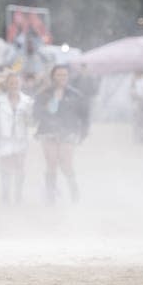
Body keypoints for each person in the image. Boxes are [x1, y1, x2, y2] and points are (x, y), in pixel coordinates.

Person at [34, 65, 89, 204]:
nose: (62, 78)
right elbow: (37, 114)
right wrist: (54, 101)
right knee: (51, 162)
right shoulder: (44, 93)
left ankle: (74, 190)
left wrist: (83, 133)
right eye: (59, 75)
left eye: (64, 75)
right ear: (53, 77)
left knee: (66, 164)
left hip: (68, 131)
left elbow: (84, 115)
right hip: (48, 131)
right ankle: (50, 194)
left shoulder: (75, 94)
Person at [0, 70, 34, 204]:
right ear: (6, 84)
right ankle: (5, 194)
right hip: (4, 138)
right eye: (11, 83)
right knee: (5, 166)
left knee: (20, 166)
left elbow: (32, 121)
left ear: (20, 84)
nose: (14, 85)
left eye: (16, 83)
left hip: (21, 138)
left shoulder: (28, 101)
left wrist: (29, 125)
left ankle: (18, 194)